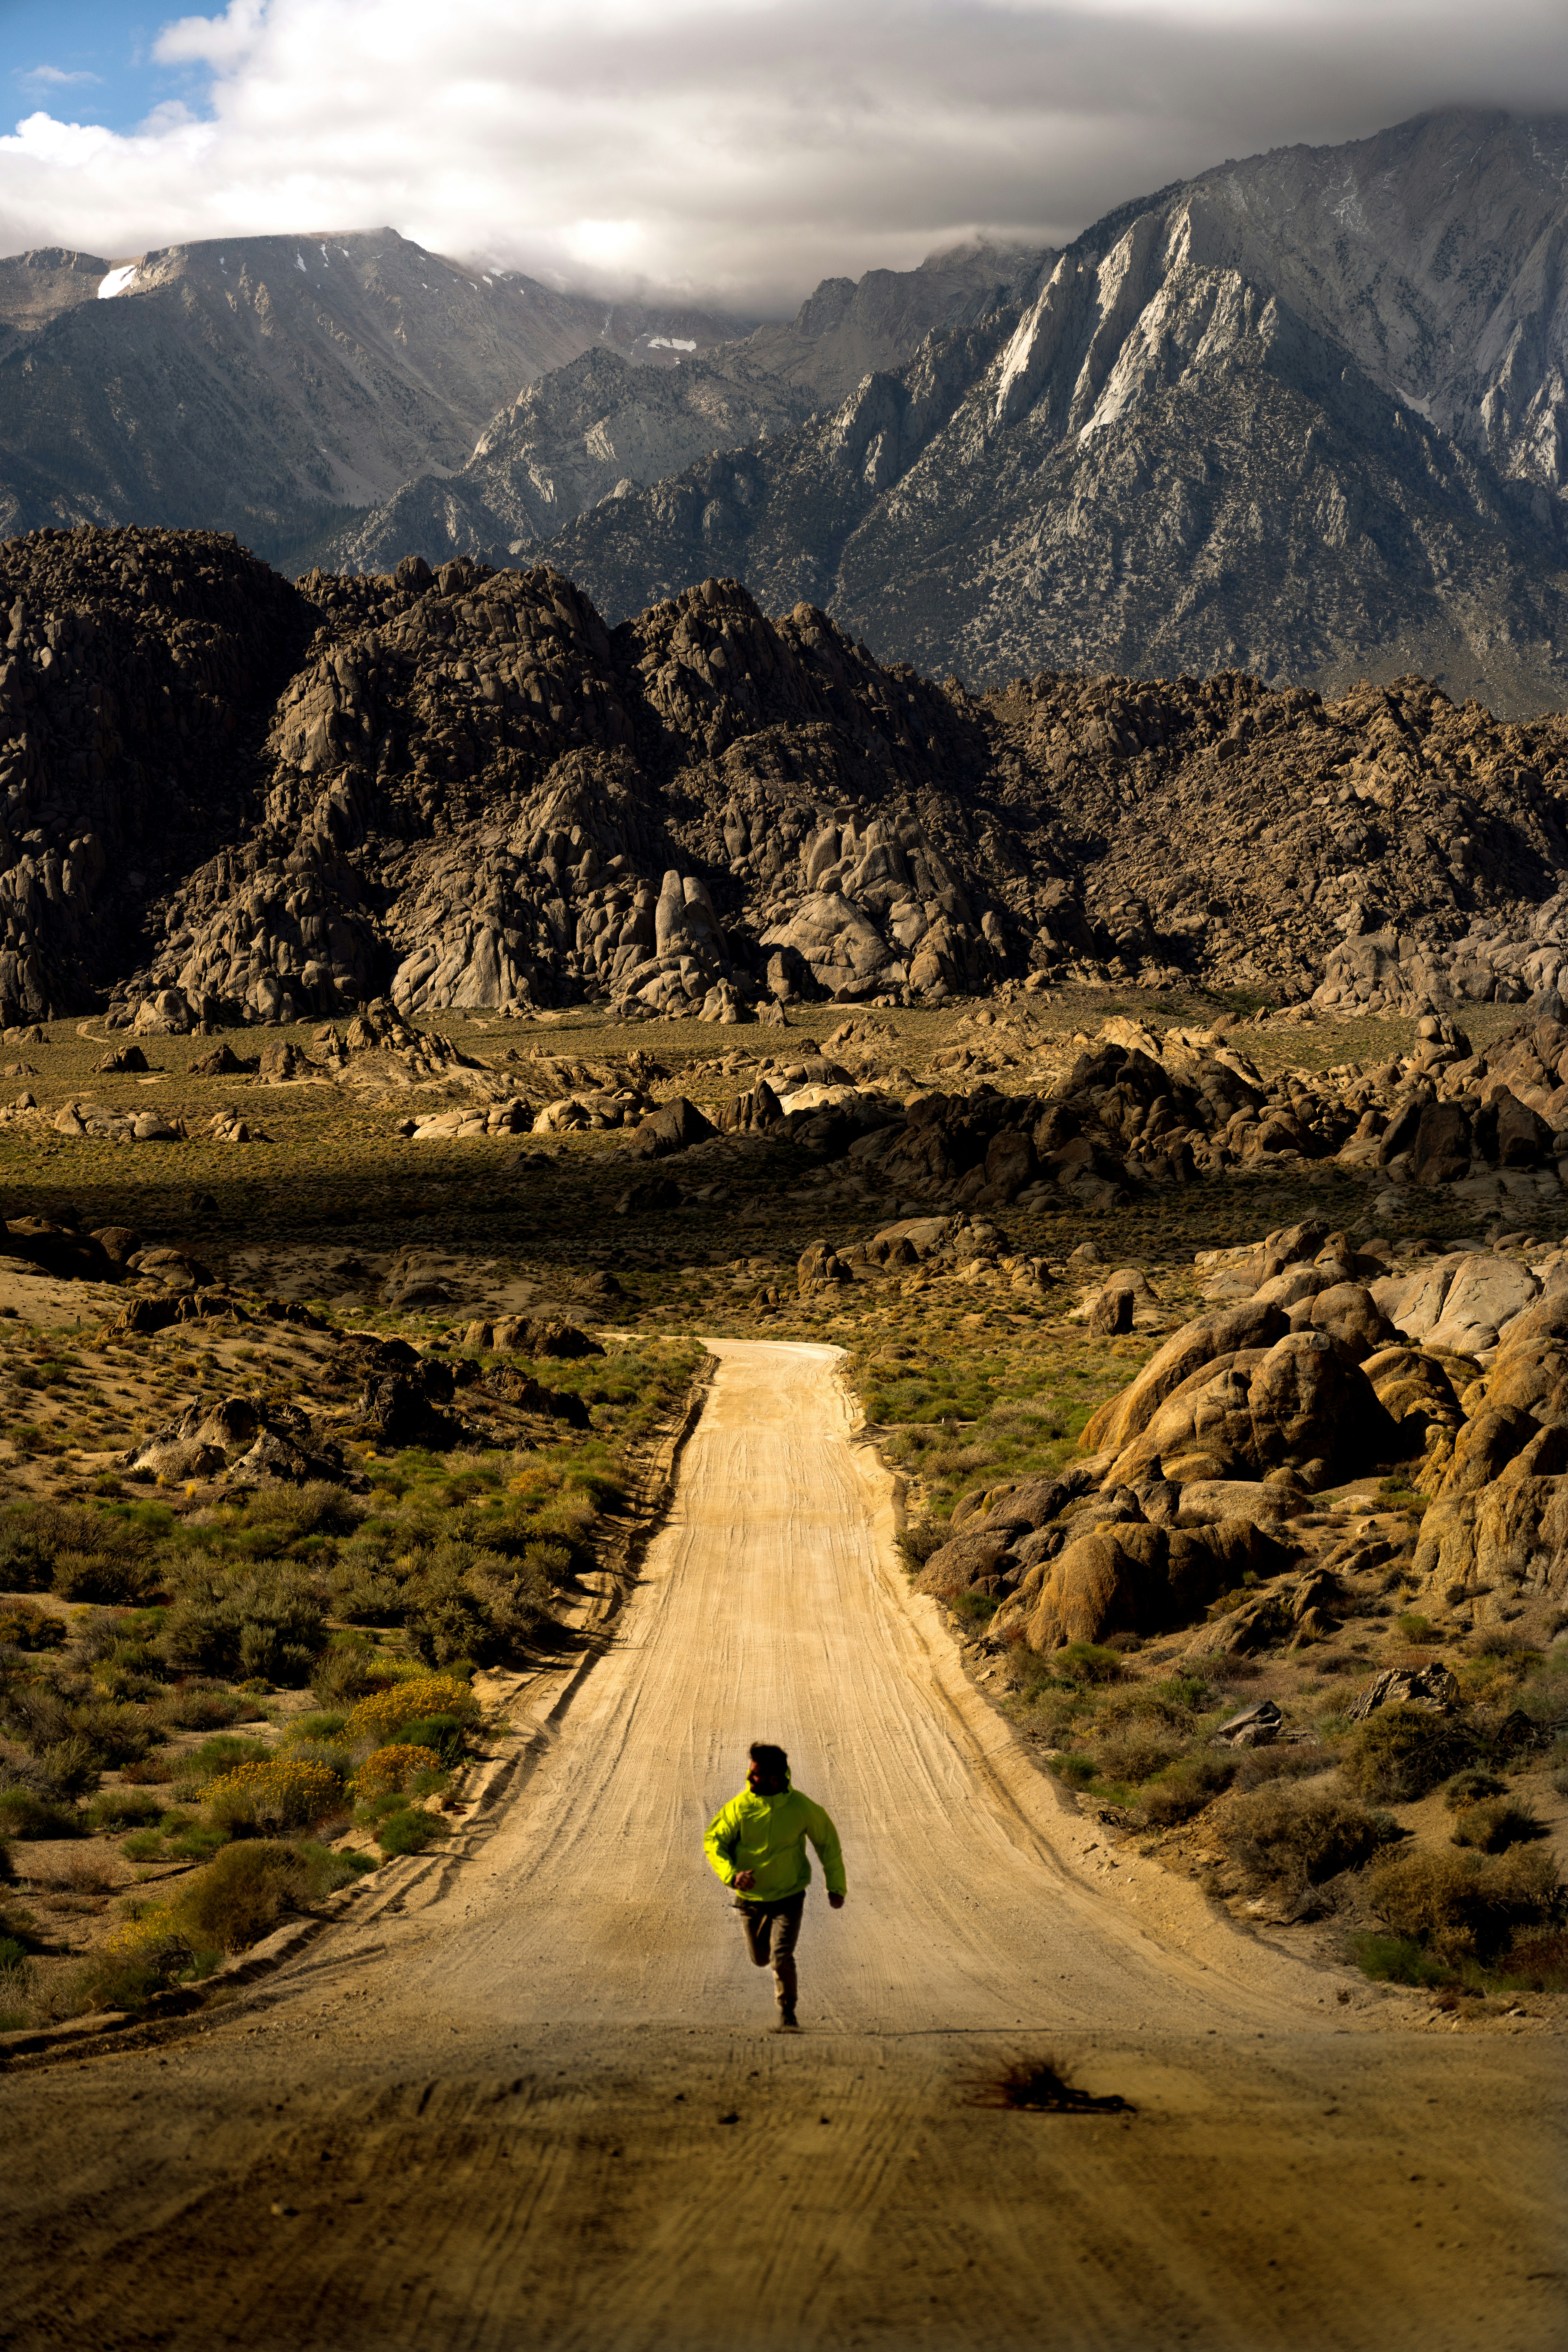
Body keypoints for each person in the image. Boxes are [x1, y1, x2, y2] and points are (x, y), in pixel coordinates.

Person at [703, 1742, 846, 2030]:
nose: (750, 1778)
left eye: (756, 1774)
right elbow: (714, 1842)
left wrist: (837, 1887)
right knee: (760, 1959)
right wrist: (732, 1875)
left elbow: (828, 1843)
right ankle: (785, 2007)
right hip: (750, 1900)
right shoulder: (739, 1807)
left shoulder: (801, 1808)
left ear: (775, 1778)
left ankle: (788, 2014)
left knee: (781, 1958)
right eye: (751, 1772)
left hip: (789, 1895)